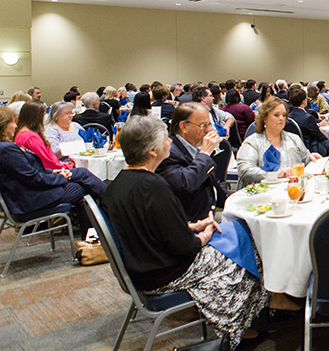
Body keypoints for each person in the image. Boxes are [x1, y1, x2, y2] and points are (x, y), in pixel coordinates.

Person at [101, 114, 270, 349]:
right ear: (152, 151)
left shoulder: (118, 184)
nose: (170, 142)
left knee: (236, 236)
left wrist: (190, 226)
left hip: (142, 267)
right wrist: (205, 234)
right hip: (165, 272)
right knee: (250, 250)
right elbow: (185, 247)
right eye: (165, 140)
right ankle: (237, 328)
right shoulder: (154, 186)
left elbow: (147, 227)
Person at [0, 106, 105, 237]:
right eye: (12, 123)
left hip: (25, 194)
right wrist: (61, 177)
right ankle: (108, 210)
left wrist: (54, 173)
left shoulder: (6, 147)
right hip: (29, 200)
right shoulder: (6, 149)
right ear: (3, 125)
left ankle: (92, 234)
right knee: (83, 188)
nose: (15, 126)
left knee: (82, 177)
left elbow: (26, 173)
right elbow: (32, 178)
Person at [155, 103, 229, 222]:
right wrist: (204, 154)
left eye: (209, 124)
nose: (208, 130)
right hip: (193, 220)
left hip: (212, 208)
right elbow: (185, 184)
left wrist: (232, 201)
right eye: (203, 125)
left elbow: (213, 183)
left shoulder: (195, 148)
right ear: (183, 126)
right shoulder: (168, 152)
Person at [237, 96, 322, 185]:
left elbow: (305, 160)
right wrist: (274, 175)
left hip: (292, 191)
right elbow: (244, 170)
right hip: (264, 193)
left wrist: (311, 158)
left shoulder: (294, 138)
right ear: (264, 118)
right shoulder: (252, 142)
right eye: (276, 115)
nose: (281, 118)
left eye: (284, 115)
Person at [15, 102, 74, 171]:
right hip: (49, 172)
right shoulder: (31, 137)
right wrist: (67, 166)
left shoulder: (20, 134)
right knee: (83, 172)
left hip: (43, 170)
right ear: (37, 118)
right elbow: (46, 162)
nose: (44, 119)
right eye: (43, 116)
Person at [286, 86, 329, 156]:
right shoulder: (308, 118)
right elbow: (319, 136)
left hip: (296, 147)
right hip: (310, 148)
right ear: (303, 101)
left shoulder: (289, 117)